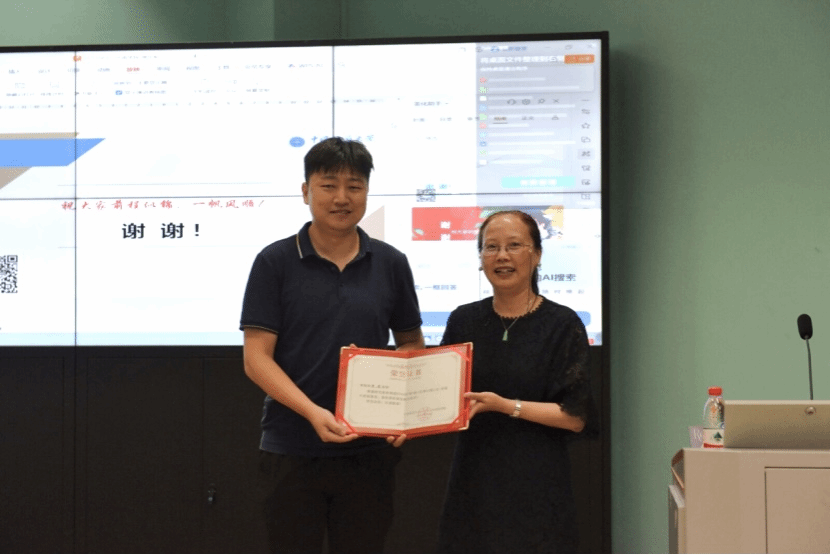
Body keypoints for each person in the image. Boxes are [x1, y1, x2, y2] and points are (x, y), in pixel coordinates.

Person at [240, 137, 424, 553]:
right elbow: (256, 359)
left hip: (369, 450)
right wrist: (312, 412)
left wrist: (402, 409)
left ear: (366, 192)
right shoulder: (274, 261)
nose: (342, 198)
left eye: (354, 186)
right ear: (306, 191)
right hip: (291, 447)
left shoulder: (391, 262)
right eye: (328, 185)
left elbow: (411, 343)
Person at [436, 210, 597, 553]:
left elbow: (575, 417)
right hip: (474, 479)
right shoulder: (463, 320)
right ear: (481, 257)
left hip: (538, 481)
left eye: (514, 246)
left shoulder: (562, 324)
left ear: (536, 255)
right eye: (491, 247)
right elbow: (439, 395)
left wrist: (505, 406)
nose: (502, 256)